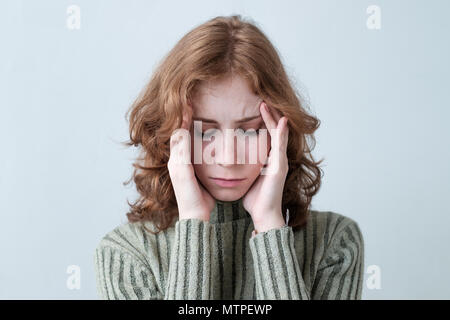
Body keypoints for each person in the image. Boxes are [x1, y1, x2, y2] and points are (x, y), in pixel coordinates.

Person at [94, 15, 364, 300]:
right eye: (205, 131)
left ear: (279, 132)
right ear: (172, 135)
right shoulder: (125, 255)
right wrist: (194, 223)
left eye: (249, 131)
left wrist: (270, 225)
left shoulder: (335, 241)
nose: (227, 158)